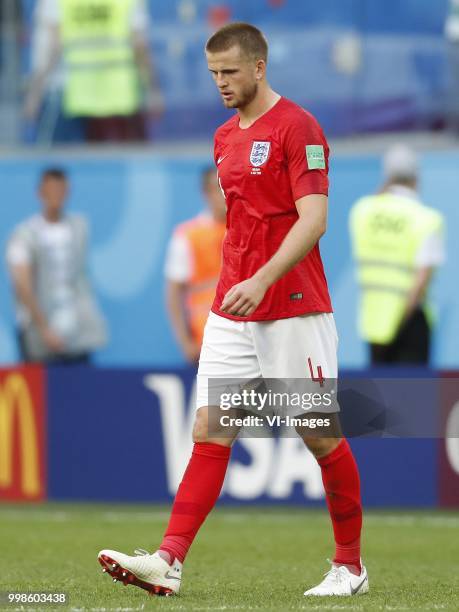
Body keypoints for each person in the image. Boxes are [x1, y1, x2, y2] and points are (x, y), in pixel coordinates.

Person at [98, 23, 367, 598]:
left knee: (318, 434)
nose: (220, 83)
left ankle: (350, 566)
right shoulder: (223, 138)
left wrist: (265, 276)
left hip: (293, 305)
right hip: (231, 308)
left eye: (230, 72)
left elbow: (313, 219)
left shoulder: (299, 127)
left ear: (259, 67)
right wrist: (238, 283)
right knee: (210, 428)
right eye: (213, 73)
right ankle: (169, 560)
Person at [349, 144, 445, 365]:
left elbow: (377, 200)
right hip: (410, 320)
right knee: (411, 395)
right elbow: (421, 279)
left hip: (374, 322)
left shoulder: (363, 211)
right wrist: (400, 322)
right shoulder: (426, 219)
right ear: (416, 177)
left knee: (380, 394)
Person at [6, 167, 107, 364]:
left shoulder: (79, 228)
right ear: (40, 192)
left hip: (76, 330)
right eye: (50, 190)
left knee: (79, 388)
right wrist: (43, 328)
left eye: (60, 190)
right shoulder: (24, 235)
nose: (56, 196)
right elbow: (22, 285)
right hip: (39, 331)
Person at [24, 0, 163, 142]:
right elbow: (140, 46)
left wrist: (36, 91)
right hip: (119, 94)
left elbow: (54, 47)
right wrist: (153, 89)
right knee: (122, 157)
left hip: (80, 94)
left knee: (80, 158)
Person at [164, 167, 226, 363]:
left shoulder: (251, 230)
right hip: (206, 340)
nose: (226, 194)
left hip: (249, 338)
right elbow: (173, 293)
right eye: (219, 188)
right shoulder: (188, 235)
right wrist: (184, 342)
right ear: (206, 193)